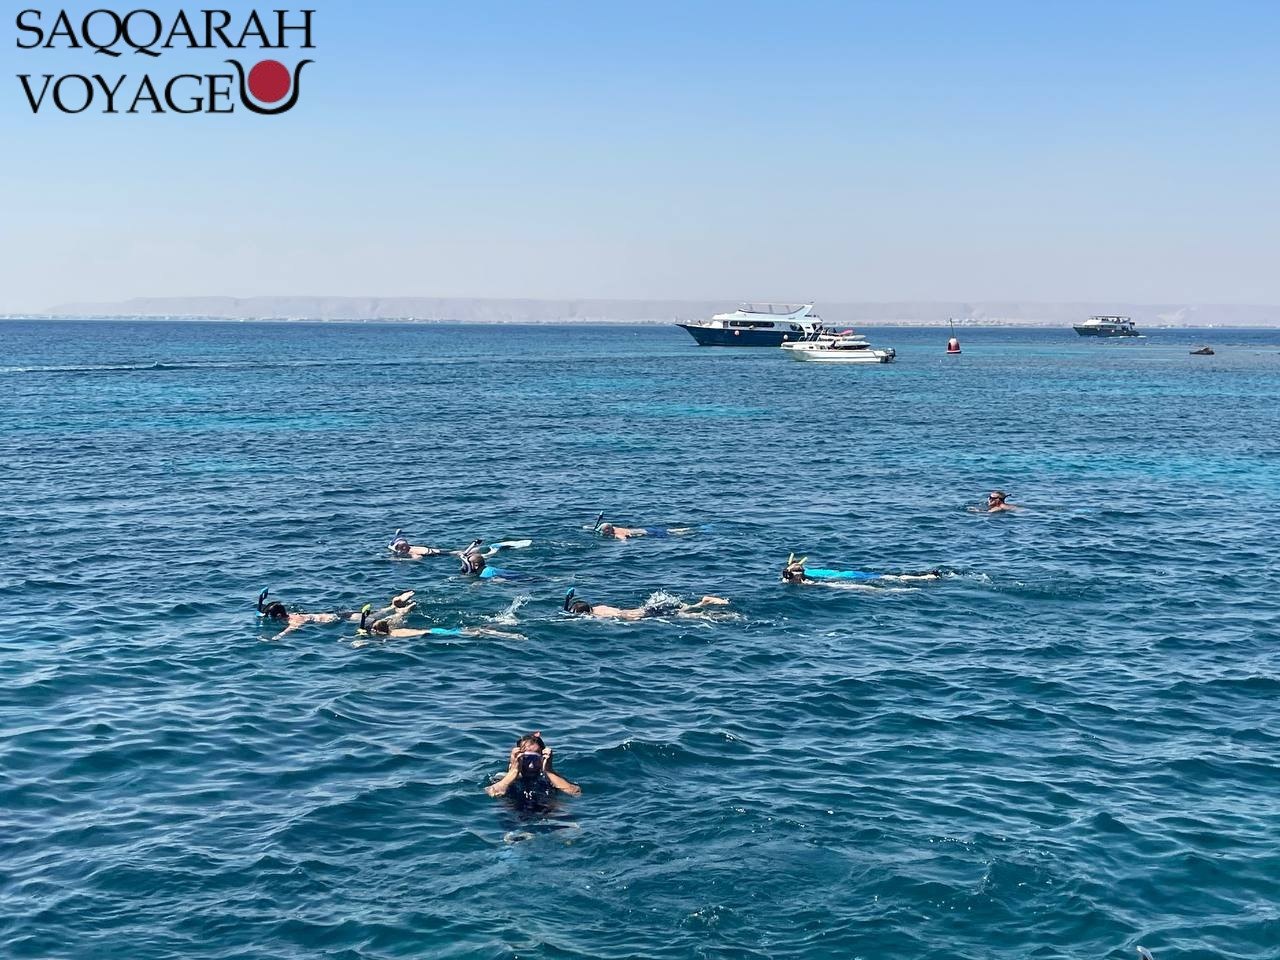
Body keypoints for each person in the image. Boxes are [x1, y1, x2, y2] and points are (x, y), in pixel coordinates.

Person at [257, 588, 415, 640]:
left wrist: (277, 637)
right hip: (339, 615)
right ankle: (393, 606)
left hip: (339, 619)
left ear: (278, 616)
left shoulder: (295, 620)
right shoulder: (290, 614)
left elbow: (290, 629)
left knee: (374, 622)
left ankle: (400, 611)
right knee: (372, 615)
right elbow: (266, 610)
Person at [485, 732, 581, 800]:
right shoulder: (502, 777)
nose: (531, 766)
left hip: (548, 813)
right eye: (526, 759)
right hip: (516, 815)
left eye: (535, 759)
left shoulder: (551, 778)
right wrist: (514, 771)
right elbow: (492, 793)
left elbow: (576, 793)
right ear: (518, 759)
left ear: (543, 759)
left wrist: (549, 771)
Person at [356, 603, 524, 641]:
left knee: (477, 632)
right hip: (434, 630)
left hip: (435, 633)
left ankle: (509, 635)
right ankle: (504, 622)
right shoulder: (392, 628)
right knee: (475, 629)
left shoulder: (391, 636)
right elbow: (397, 616)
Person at [562, 588, 730, 620]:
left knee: (686, 616)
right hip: (647, 609)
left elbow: (619, 617)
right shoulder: (599, 606)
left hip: (645, 614)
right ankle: (704, 602)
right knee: (684, 609)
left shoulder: (598, 615)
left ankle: (721, 616)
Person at [780, 555, 941, 585]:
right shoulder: (809, 570)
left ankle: (926, 577)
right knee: (888, 576)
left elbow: (796, 577)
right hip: (849, 572)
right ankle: (926, 576)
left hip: (849, 577)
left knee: (887, 578)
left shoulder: (805, 576)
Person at [594, 513, 693, 541]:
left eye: (605, 531)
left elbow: (623, 539)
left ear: (608, 530)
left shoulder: (617, 533)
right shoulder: (615, 527)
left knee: (672, 535)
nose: (604, 533)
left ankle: (689, 533)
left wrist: (622, 542)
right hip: (647, 529)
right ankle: (686, 529)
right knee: (670, 530)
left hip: (648, 533)